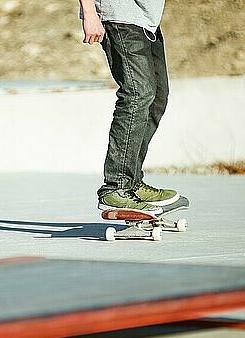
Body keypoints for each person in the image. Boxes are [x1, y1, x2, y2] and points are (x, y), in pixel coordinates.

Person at [79, 0, 180, 216]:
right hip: (120, 16)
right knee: (137, 93)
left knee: (157, 97)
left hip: (147, 21)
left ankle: (132, 183)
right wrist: (89, 13)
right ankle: (116, 187)